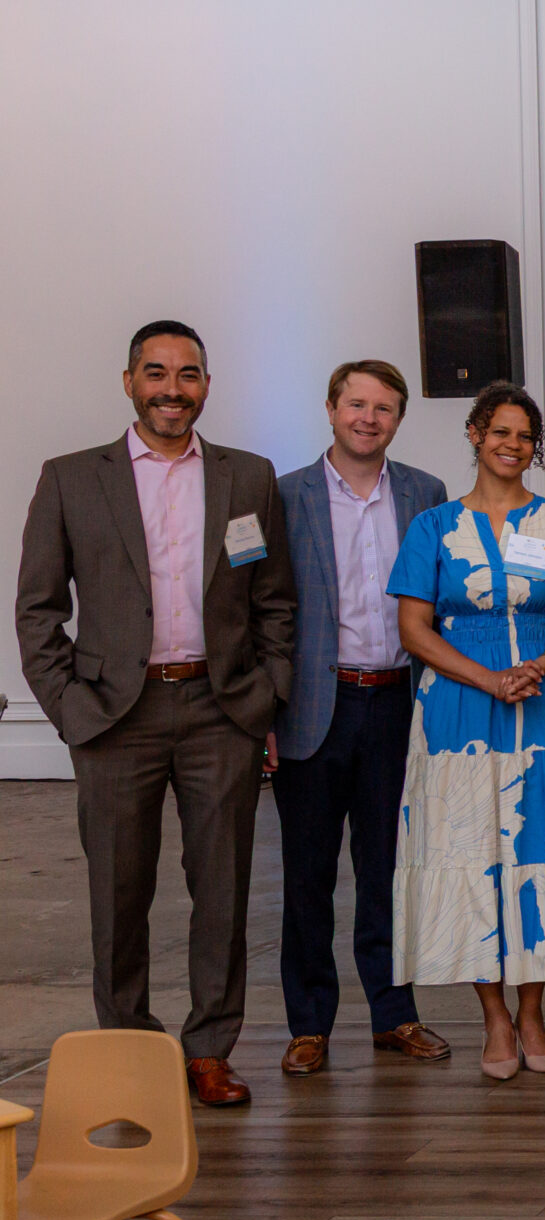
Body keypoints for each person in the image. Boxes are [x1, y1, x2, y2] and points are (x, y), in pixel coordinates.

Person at [15, 320, 294, 1108]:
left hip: (220, 710)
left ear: (207, 383)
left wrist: (265, 693)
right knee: (118, 892)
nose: (173, 388)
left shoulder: (247, 476)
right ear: (129, 381)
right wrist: (71, 708)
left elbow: (274, 598)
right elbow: (37, 609)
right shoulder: (72, 478)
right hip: (114, 716)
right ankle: (131, 1049)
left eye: (188, 373)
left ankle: (209, 1049)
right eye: (157, 372)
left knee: (224, 888)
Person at [389, 382, 545, 1080]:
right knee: (470, 846)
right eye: (500, 432)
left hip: (543, 702)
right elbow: (413, 629)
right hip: (457, 709)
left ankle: (533, 1010)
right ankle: (493, 1014)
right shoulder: (432, 526)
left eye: (524, 436)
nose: (512, 445)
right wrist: (489, 680)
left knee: (537, 847)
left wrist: (541, 662)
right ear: (475, 434)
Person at [272, 360, 453, 1077]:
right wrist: (261, 711)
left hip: (396, 703)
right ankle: (308, 1025)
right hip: (313, 707)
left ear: (398, 419)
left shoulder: (424, 494)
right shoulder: (283, 495)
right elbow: (259, 610)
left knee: (388, 870)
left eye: (383, 408)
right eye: (356, 404)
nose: (368, 418)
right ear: (330, 408)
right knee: (307, 875)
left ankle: (393, 1013)